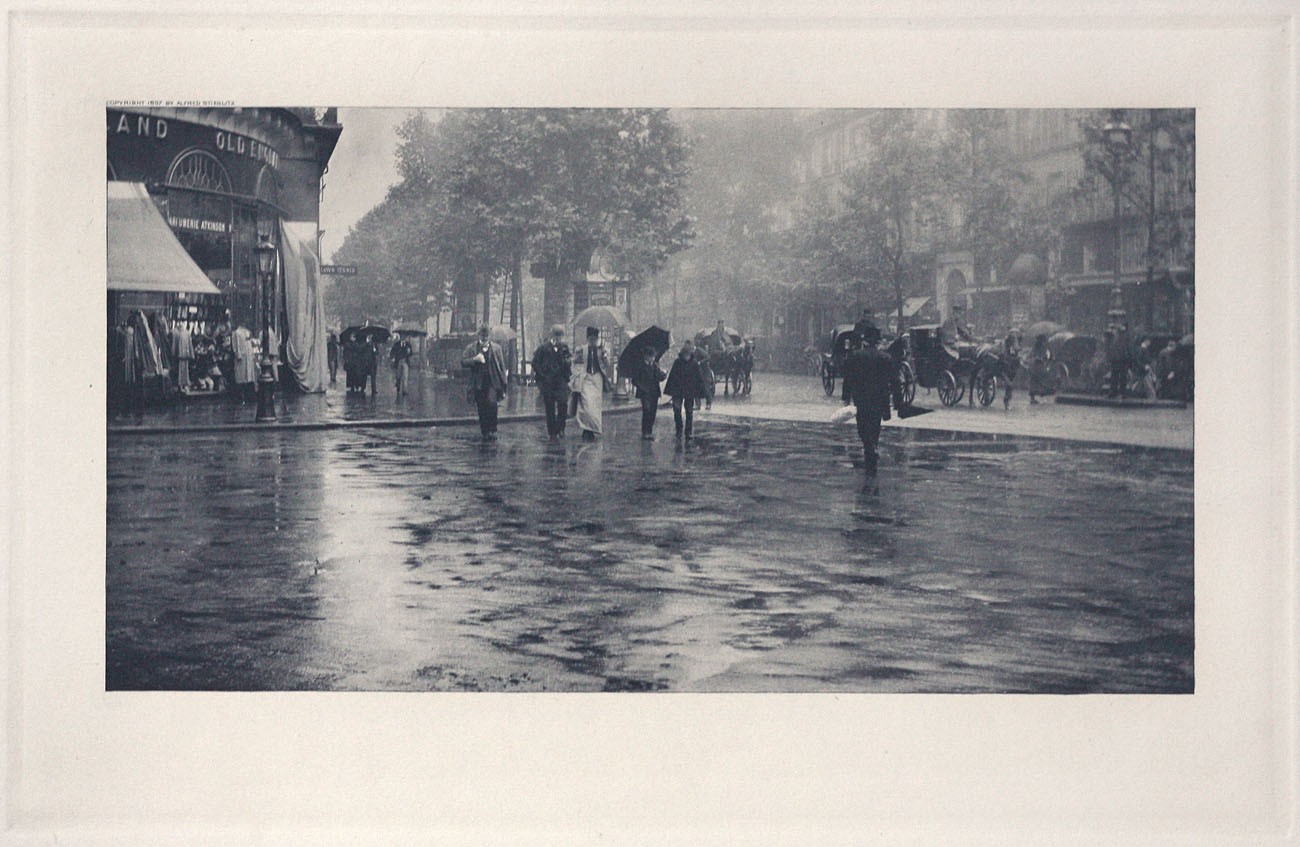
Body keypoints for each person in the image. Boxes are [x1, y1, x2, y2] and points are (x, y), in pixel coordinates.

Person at [841, 319, 904, 475]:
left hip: (861, 397)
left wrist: (846, 398)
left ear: (864, 341)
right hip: (880, 397)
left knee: (862, 424)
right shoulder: (886, 358)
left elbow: (848, 378)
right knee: (875, 424)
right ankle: (872, 446)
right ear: (877, 342)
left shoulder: (855, 356)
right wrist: (898, 402)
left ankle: (868, 446)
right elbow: (895, 381)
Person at [461, 325, 508, 440]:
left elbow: (502, 366)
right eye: (482, 336)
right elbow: (463, 362)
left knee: (492, 404)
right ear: (479, 336)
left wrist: (504, 383)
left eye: (486, 336)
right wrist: (474, 360)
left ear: (489, 336)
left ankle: (492, 428)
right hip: (478, 382)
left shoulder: (496, 348)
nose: (484, 338)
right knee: (482, 406)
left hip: (493, 381)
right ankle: (485, 431)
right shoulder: (472, 348)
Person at [531, 324, 572, 439]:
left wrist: (567, 363)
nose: (558, 338)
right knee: (549, 407)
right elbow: (535, 363)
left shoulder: (564, 347)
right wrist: (542, 376)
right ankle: (552, 431)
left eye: (560, 335)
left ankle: (561, 428)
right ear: (551, 335)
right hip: (548, 382)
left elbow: (569, 361)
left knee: (563, 404)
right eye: (556, 334)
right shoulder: (543, 348)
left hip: (560, 381)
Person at [571, 326, 611, 441]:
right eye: (591, 338)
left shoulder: (601, 350)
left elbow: (607, 365)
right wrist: (576, 375)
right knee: (586, 403)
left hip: (597, 379)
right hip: (586, 378)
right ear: (587, 338)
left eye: (594, 338)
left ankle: (592, 429)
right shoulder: (581, 349)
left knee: (595, 406)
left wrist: (605, 356)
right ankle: (586, 428)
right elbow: (575, 362)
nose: (593, 341)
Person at [665, 339, 706, 440]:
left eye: (688, 355)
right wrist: (671, 390)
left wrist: (702, 391)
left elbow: (699, 378)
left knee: (689, 411)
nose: (686, 357)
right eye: (685, 355)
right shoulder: (677, 363)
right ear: (682, 354)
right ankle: (679, 426)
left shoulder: (694, 364)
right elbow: (672, 377)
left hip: (689, 391)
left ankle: (688, 431)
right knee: (677, 410)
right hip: (678, 391)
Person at [631, 347, 667, 440]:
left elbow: (660, 377)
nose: (652, 358)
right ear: (646, 356)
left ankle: (649, 431)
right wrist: (642, 387)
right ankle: (645, 432)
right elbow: (634, 380)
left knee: (652, 412)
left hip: (654, 392)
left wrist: (664, 374)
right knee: (646, 410)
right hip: (644, 392)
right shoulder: (640, 366)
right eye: (651, 356)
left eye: (653, 357)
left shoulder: (655, 366)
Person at [1107, 322, 1135, 398]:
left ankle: (1120, 392)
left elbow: (1128, 347)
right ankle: (1115, 392)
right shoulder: (1116, 335)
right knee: (1116, 377)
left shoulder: (1124, 335)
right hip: (1118, 359)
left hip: (1122, 359)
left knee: (1121, 377)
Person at [232, 324, 257, 404]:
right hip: (242, 358)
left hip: (248, 357)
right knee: (241, 377)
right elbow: (236, 345)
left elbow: (250, 343)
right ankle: (240, 397)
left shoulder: (247, 332)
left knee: (249, 377)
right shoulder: (236, 333)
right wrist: (238, 354)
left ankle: (249, 396)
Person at [1027, 333, 1053, 404]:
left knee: (1034, 382)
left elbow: (1047, 356)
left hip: (1036, 366)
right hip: (1037, 366)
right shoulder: (1041, 347)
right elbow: (1033, 355)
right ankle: (1035, 397)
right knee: (1036, 381)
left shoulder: (1040, 347)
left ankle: (1034, 397)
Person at [694, 346, 716, 410]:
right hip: (697, 373)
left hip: (705, 372)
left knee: (706, 388)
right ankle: (698, 405)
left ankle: (708, 404)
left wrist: (700, 362)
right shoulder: (690, 353)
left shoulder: (699, 350)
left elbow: (708, 357)